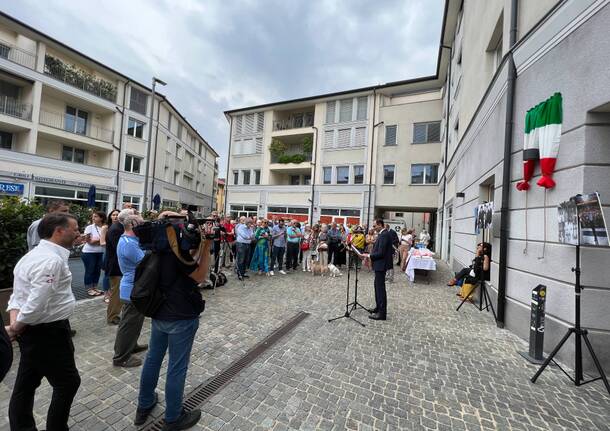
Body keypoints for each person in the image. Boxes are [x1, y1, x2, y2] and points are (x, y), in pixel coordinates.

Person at [134, 213, 212, 430]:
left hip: (160, 312)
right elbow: (199, 276)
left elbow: (186, 257)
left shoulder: (157, 248)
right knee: (177, 368)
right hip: (181, 315)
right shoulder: (175, 252)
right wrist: (207, 246)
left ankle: (144, 404)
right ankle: (173, 417)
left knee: (153, 359)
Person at [7, 213, 82, 430]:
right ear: (59, 231)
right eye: (75, 228)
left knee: (26, 383)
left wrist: (15, 324)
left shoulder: (32, 256)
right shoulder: (50, 260)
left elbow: (18, 296)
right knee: (68, 383)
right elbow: (36, 302)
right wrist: (17, 326)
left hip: (36, 331)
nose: (78, 232)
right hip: (49, 332)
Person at [112, 210, 148, 368]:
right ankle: (121, 357)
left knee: (135, 321)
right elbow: (145, 262)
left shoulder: (131, 241)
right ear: (133, 225)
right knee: (128, 323)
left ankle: (131, 345)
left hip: (136, 285)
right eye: (141, 224)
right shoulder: (128, 244)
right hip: (132, 287)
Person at [106, 208, 134, 325]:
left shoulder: (119, 227)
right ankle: (112, 316)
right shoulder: (116, 229)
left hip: (119, 265)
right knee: (117, 292)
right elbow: (120, 248)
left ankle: (116, 314)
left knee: (118, 291)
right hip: (116, 265)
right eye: (133, 217)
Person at [363, 219, 394, 321]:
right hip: (379, 264)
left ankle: (382, 313)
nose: (373, 227)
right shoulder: (382, 234)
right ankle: (378, 308)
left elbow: (381, 253)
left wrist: (369, 255)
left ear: (380, 225)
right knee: (377, 286)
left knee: (380, 289)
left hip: (381, 265)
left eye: (375, 225)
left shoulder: (384, 235)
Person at [81, 211, 107, 297]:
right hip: (89, 253)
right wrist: (101, 239)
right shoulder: (90, 227)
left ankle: (95, 287)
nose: (93, 218)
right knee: (90, 270)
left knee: (97, 271)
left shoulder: (105, 227)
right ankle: (89, 288)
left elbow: (107, 240)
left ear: (101, 218)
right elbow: (89, 241)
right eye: (93, 217)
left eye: (95, 216)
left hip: (100, 252)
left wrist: (98, 240)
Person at [100, 209, 120, 303]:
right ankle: (106, 294)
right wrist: (112, 243)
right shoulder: (106, 227)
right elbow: (102, 242)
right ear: (110, 216)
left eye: (117, 215)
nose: (115, 216)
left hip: (118, 253)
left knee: (116, 274)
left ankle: (113, 293)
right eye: (113, 215)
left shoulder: (121, 227)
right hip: (109, 253)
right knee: (107, 274)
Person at [235, 216, 254, 280]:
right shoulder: (241, 227)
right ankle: (240, 274)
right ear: (247, 223)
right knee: (241, 259)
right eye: (250, 223)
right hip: (241, 244)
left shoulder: (250, 228)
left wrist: (250, 237)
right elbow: (244, 236)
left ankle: (243, 273)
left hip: (247, 244)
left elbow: (252, 235)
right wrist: (250, 237)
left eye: (251, 223)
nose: (251, 225)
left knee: (246, 259)